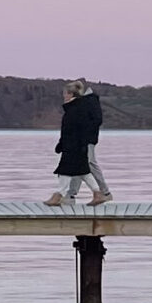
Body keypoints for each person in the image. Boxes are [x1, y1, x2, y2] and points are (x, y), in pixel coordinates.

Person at [46, 78, 111, 207]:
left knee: (67, 170)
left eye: (65, 93)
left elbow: (78, 128)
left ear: (71, 94)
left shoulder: (78, 108)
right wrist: (62, 143)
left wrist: (80, 144)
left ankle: (60, 195)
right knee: (82, 171)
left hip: (75, 145)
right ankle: (96, 193)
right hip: (74, 144)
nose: (64, 96)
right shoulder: (74, 108)